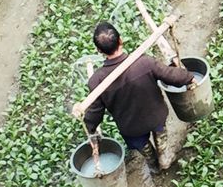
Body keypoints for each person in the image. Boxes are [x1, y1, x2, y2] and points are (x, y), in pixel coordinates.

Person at [73, 21, 195, 171]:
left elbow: (94, 113)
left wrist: (90, 128)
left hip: (131, 128)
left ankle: (153, 166)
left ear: (99, 50)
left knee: (144, 149)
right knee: (161, 137)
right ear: (121, 41)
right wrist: (189, 77)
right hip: (155, 117)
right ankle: (164, 159)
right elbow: (171, 75)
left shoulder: (97, 81)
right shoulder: (144, 62)